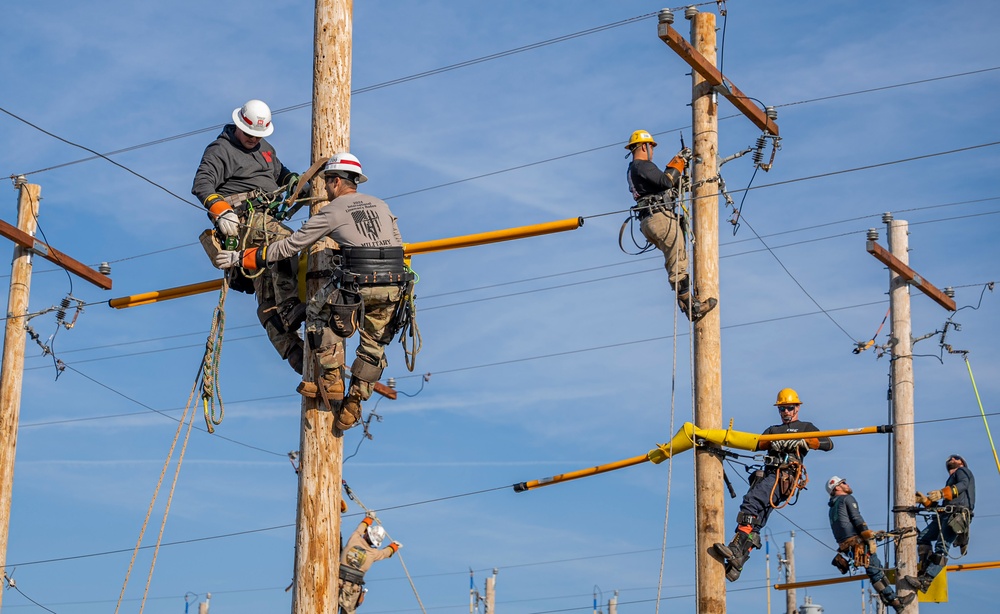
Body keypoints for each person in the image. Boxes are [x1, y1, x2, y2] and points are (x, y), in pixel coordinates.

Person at [214, 153, 409, 431]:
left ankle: (331, 379)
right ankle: (355, 400)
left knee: (318, 314)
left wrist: (244, 258)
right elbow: (398, 247)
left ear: (335, 181)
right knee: (375, 344)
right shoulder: (382, 206)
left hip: (359, 283)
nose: (326, 189)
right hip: (393, 285)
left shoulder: (333, 210)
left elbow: (290, 246)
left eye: (327, 183)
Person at [193, 99, 307, 373]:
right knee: (288, 244)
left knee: (267, 292)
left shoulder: (266, 149)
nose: (253, 139)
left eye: (258, 135)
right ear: (238, 125)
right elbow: (202, 183)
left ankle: (296, 354)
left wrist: (295, 183)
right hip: (244, 221)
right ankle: (291, 306)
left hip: (266, 221)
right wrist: (221, 211)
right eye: (249, 134)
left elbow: (281, 174)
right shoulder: (221, 149)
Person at [713, 387, 834, 581]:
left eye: (789, 408)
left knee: (751, 503)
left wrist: (804, 442)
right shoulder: (773, 430)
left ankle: (736, 546)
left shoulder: (805, 427)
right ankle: (739, 562)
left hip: (785, 475)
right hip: (769, 474)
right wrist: (771, 443)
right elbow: (758, 444)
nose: (785, 412)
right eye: (782, 409)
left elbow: (828, 443)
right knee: (757, 518)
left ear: (797, 408)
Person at [625, 129, 716, 322]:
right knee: (678, 261)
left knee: (674, 259)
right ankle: (692, 306)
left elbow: (665, 185)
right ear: (644, 146)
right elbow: (666, 181)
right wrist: (679, 161)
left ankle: (687, 304)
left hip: (649, 220)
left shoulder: (633, 169)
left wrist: (680, 175)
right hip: (658, 218)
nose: (653, 151)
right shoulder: (642, 165)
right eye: (652, 147)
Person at [826, 476, 915, 612]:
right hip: (857, 542)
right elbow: (856, 518)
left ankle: (887, 598)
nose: (847, 484)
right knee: (876, 571)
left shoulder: (832, 508)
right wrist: (867, 535)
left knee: (874, 571)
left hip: (846, 546)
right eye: (843, 483)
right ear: (837, 487)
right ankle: (896, 601)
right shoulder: (847, 499)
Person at [911, 454, 975, 592]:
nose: (951, 459)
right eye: (950, 459)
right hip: (946, 514)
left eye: (956, 458)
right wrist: (927, 502)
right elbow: (942, 506)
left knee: (942, 546)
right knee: (923, 538)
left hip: (956, 515)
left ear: (962, 462)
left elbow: (963, 485)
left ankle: (926, 580)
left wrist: (942, 493)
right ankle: (924, 570)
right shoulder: (950, 481)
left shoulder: (963, 471)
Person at [338, 511, 400, 613]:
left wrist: (369, 519)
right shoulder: (374, 554)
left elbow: (360, 528)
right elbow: (386, 553)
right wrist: (394, 546)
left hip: (337, 582)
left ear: (367, 533)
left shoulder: (354, 538)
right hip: (352, 590)